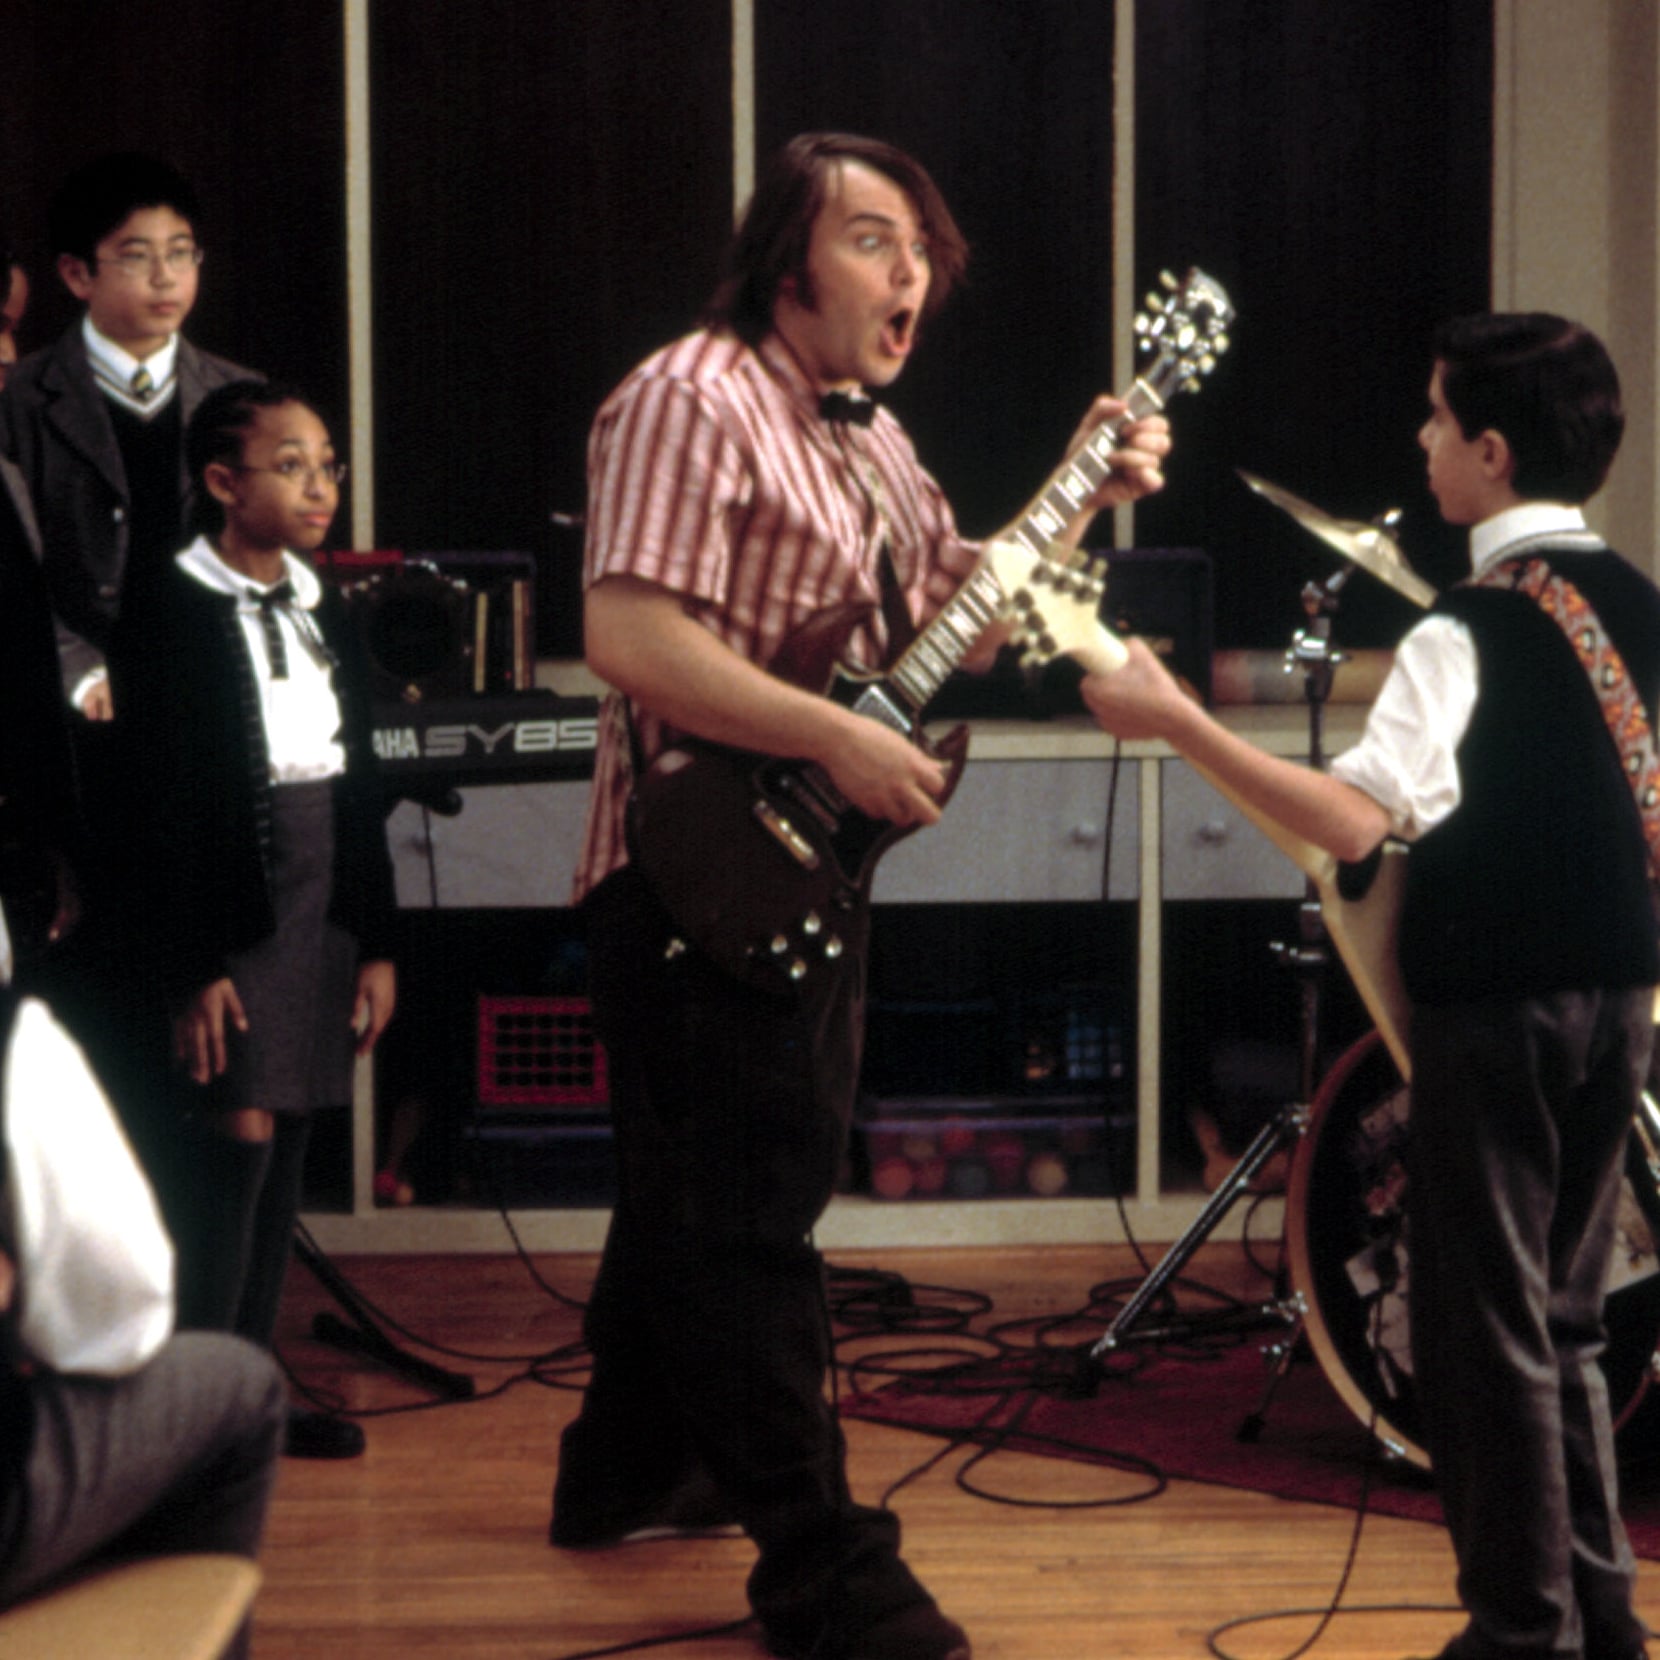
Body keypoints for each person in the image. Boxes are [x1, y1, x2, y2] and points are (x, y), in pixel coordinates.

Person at [555, 131, 1170, 1660]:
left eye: (924, 255)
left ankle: (624, 1471)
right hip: (687, 871)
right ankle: (827, 1574)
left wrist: (1077, 495)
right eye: (877, 240)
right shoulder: (690, 395)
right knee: (749, 1219)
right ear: (787, 260)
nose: (915, 277)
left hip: (794, 867)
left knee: (695, 1195)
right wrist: (834, 738)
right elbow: (631, 636)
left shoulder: (873, 439)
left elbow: (960, 623)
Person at [1081, 313, 1656, 1660]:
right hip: (1622, 995)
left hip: (1496, 1005)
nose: (1421, 438)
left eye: (1437, 418)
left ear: (1491, 453)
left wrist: (1179, 724)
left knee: (1487, 1330)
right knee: (1569, 1322)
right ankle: (1600, 1619)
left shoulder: (1464, 628)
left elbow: (1353, 822)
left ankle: (1520, 1632)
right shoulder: (1641, 603)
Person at [108, 380, 397, 1463]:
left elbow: (360, 785)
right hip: (229, 903)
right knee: (237, 1132)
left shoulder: (323, 601)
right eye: (290, 465)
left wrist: (377, 942)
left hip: (321, 893)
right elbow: (153, 807)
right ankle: (192, 1412)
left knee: (293, 1131)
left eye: (327, 465)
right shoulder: (171, 604)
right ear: (224, 483)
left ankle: (251, 1391)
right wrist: (194, 963)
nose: (319, 486)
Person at [0, 151, 257, 714]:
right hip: (74, 698)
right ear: (77, 274)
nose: (166, 277)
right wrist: (75, 671)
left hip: (218, 688)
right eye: (137, 256)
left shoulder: (244, 398)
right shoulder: (18, 401)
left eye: (181, 253)